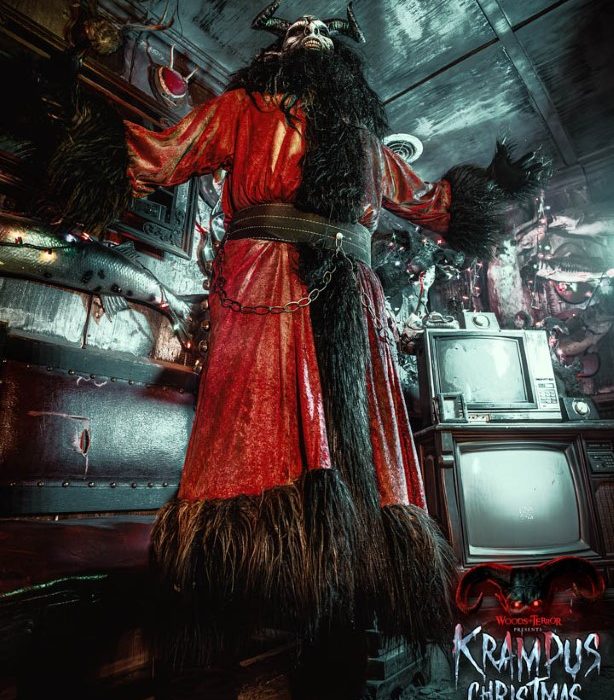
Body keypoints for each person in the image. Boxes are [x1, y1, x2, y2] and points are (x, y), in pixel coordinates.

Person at [123, 0, 547, 678]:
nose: (312, 39)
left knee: (341, 453)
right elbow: (163, 154)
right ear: (280, 52)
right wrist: (87, 138)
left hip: (334, 292)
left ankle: (333, 625)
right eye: (301, 32)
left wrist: (491, 189)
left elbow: (433, 203)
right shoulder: (244, 111)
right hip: (268, 286)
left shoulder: (357, 141)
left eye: (322, 33)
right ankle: (240, 614)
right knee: (253, 440)